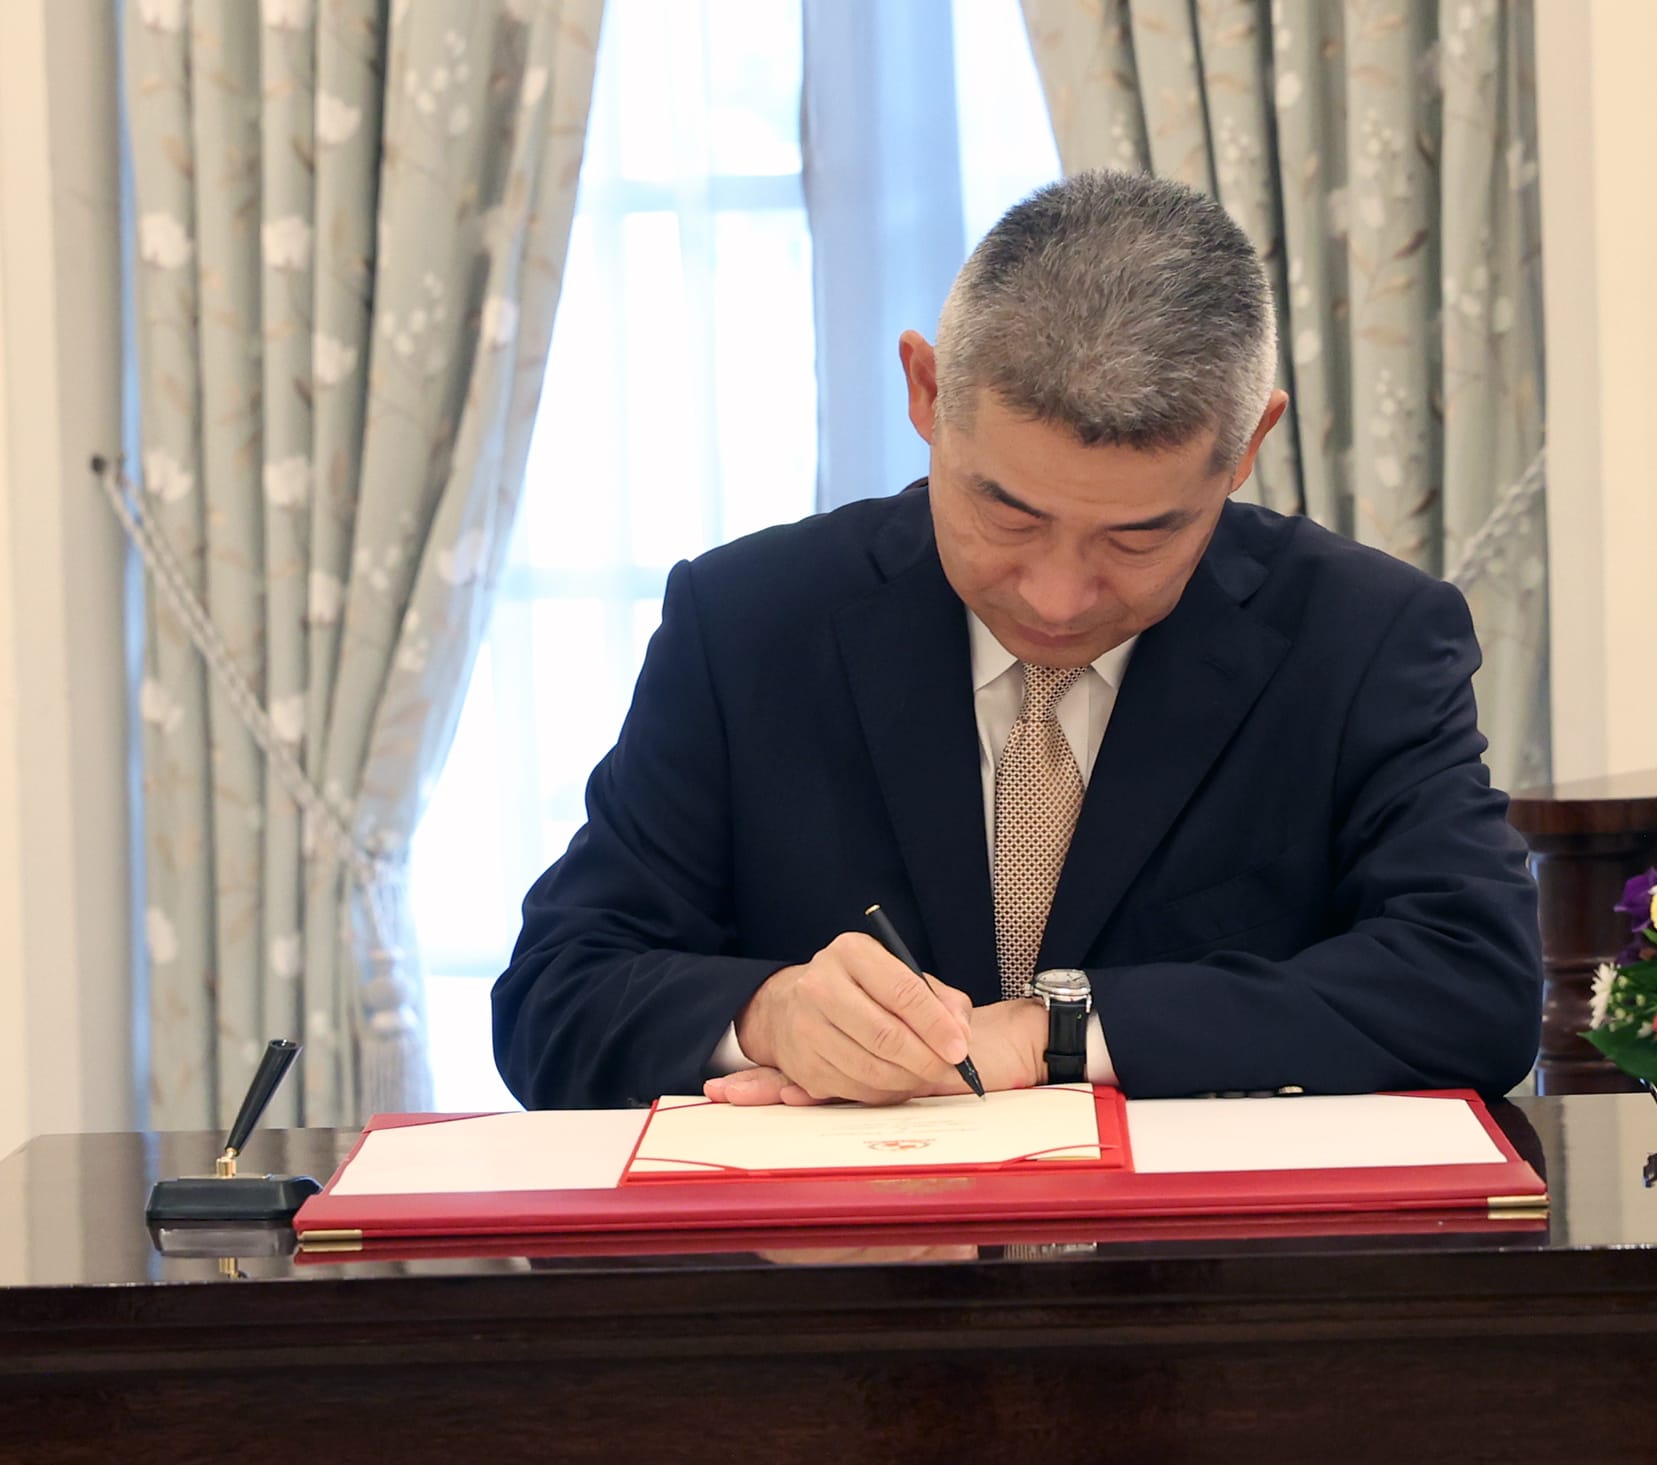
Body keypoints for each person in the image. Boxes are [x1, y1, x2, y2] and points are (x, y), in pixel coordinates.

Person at [492, 170, 1541, 1110]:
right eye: (1009, 514)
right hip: (839, 1293)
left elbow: (1471, 984)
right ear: (926, 391)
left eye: (1138, 535)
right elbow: (558, 991)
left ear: (1247, 448)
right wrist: (767, 1013)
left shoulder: (1361, 639)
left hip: (1208, 1298)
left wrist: (1060, 1033)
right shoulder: (750, 622)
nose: (1057, 595)